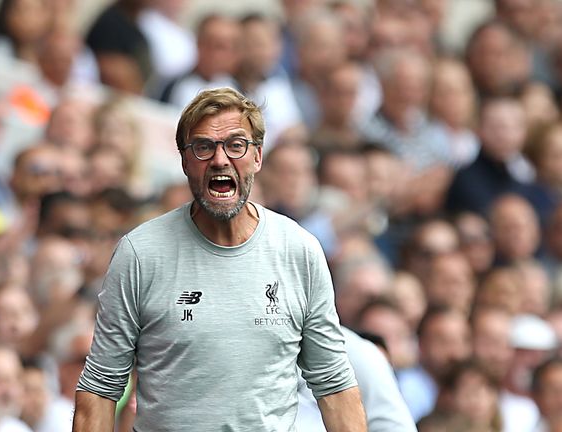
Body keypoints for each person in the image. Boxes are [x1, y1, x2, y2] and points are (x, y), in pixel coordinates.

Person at [73, 87, 365, 431]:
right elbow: (100, 388)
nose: (220, 159)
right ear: (184, 161)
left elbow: (334, 386)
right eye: (203, 146)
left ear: (257, 156)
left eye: (236, 145)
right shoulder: (141, 253)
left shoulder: (299, 250)